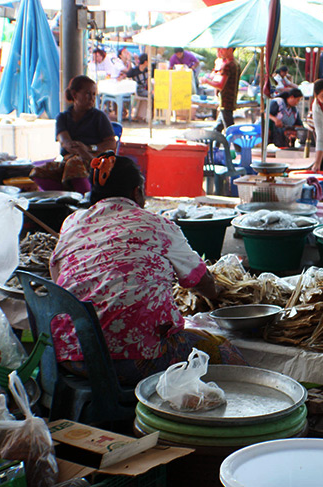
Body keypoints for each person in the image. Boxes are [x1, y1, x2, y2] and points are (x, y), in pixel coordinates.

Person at [49, 154, 246, 385]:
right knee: (223, 350)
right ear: (137, 192)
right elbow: (202, 282)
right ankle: (243, 412)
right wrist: (218, 293)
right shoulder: (157, 225)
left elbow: (56, 277)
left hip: (70, 355)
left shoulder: (73, 222)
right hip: (133, 361)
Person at [30, 76, 116, 193]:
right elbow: (65, 141)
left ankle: (84, 197)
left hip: (95, 161)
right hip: (69, 160)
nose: (92, 98)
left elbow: (111, 143)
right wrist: (77, 149)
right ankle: (69, 193)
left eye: (94, 94)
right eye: (87, 94)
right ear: (75, 95)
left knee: (74, 164)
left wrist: (88, 149)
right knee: (37, 171)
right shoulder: (63, 118)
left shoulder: (99, 117)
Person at [202, 48, 241, 133]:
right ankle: (213, 145)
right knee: (218, 127)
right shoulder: (235, 63)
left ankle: (237, 145)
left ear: (230, 49)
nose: (220, 51)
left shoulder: (228, 65)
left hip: (225, 101)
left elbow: (220, 86)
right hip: (229, 100)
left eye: (222, 49)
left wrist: (206, 81)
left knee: (229, 128)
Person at [125, 53, 150, 122]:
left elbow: (148, 82)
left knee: (151, 95)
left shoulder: (147, 70)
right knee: (152, 96)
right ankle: (148, 116)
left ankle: (141, 115)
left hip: (144, 89)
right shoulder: (134, 70)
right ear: (145, 62)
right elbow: (126, 76)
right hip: (137, 90)